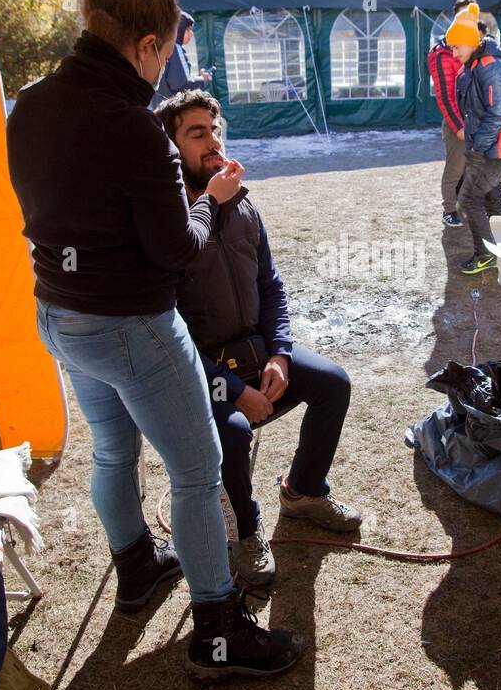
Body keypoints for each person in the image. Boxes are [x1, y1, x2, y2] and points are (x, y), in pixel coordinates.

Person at [6, 0, 304, 681]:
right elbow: (176, 249)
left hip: (59, 313)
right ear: (143, 45)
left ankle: (136, 567)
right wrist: (207, 199)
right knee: (199, 471)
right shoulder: (137, 131)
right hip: (131, 324)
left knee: (113, 448)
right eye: (166, 53)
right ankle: (217, 630)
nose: (166, 65)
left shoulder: (29, 104)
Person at [153, 89, 362, 586]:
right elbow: (167, 328)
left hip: (254, 352)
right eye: (196, 133)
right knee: (234, 430)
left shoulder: (243, 206)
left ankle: (303, 492)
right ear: (172, 148)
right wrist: (232, 390)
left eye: (215, 129)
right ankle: (245, 531)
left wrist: (282, 357)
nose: (213, 142)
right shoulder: (168, 226)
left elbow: (271, 287)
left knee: (333, 383)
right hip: (198, 374)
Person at [449, 2, 501, 275]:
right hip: (486, 147)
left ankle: (485, 254)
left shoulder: (491, 67)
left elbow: (497, 114)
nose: (454, 53)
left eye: (457, 47)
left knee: (469, 200)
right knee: (490, 197)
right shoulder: (474, 65)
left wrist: (477, 146)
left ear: (469, 42)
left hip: (492, 150)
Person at [427, 0, 479, 228]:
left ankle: (463, 204)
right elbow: (445, 96)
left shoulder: (474, 48)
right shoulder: (441, 54)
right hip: (457, 123)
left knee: (472, 168)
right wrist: (458, 125)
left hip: (474, 120)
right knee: (455, 167)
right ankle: (449, 209)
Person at [153, 12, 212, 103]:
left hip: (158, 106)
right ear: (178, 29)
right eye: (188, 29)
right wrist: (202, 79)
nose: (191, 34)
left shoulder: (160, 46)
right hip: (171, 108)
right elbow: (179, 83)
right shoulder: (176, 48)